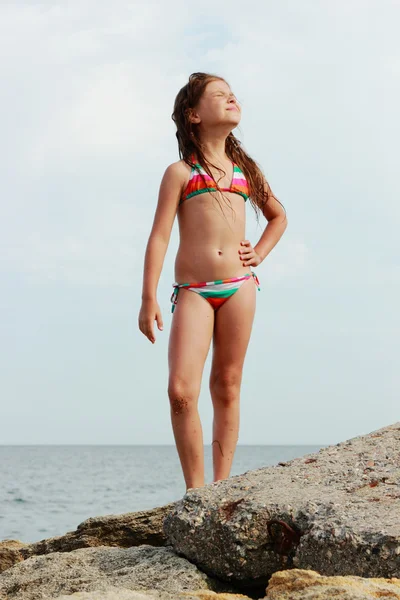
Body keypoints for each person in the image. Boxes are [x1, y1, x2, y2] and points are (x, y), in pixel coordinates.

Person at [138, 72, 287, 493]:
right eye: (219, 95)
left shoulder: (245, 172)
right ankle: (195, 492)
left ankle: (220, 488)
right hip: (194, 292)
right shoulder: (181, 172)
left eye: (233, 94)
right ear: (194, 115)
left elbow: (279, 217)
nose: (231, 98)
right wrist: (148, 296)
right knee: (181, 392)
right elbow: (160, 236)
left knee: (227, 385)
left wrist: (259, 252)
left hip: (239, 286)